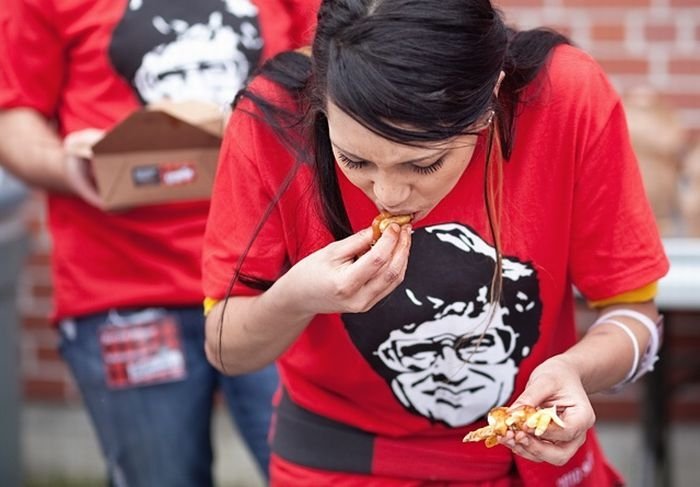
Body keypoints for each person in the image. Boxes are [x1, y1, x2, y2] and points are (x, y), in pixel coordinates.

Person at [201, 0, 670, 485]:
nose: (389, 194)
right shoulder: (272, 115)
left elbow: (636, 315)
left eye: (422, 164)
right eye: (355, 161)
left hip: (533, 463)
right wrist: (297, 298)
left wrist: (576, 369)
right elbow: (225, 349)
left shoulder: (563, 96)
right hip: (343, 464)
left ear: (491, 97)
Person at [0, 0, 318, 485]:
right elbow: (13, 110)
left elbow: (330, 59)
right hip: (123, 290)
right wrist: (65, 163)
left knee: (308, 471)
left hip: (270, 279)